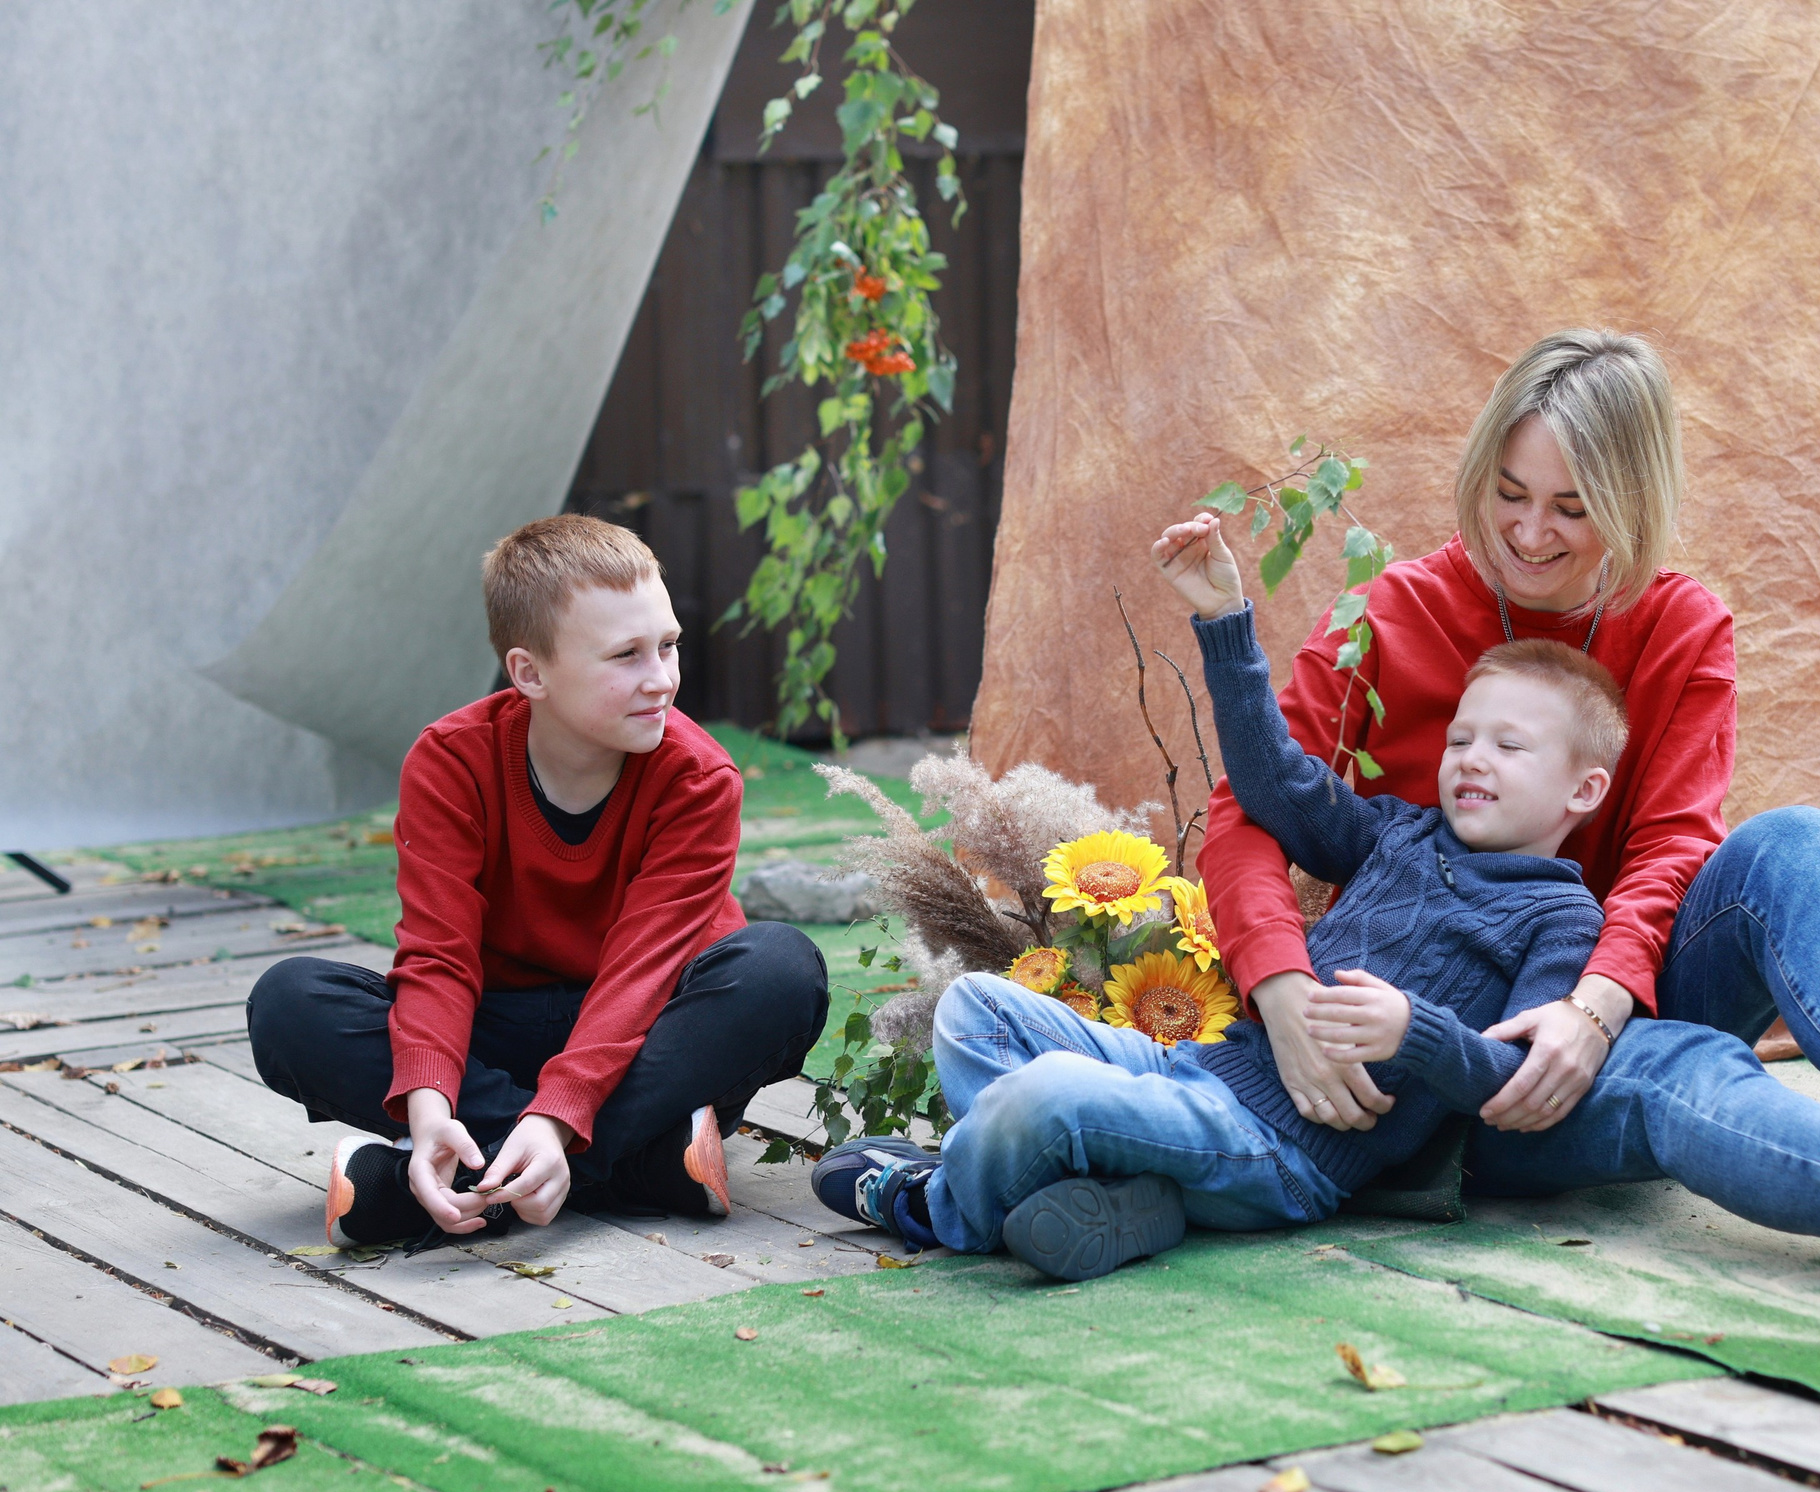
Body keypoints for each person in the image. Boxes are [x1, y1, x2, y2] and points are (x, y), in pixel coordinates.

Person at [1155, 328, 1820, 1300]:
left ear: (1632, 496)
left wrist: (1593, 1005)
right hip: (1454, 1058)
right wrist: (1281, 989)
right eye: (1509, 492)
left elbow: (1669, 848)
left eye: (1571, 506)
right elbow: (1256, 806)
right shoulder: (1394, 612)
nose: (1527, 531)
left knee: (1786, 843)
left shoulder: (1680, 625)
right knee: (1669, 1072)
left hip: (1596, 995)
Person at [812, 619, 1624, 1281]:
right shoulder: (1398, 833)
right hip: (1199, 1074)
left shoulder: (1561, 918)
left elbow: (1516, 1085)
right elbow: (1277, 783)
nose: (1472, 758)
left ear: (1583, 789)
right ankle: (1138, 1197)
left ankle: (938, 1206)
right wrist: (1225, 625)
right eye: (1461, 739)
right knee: (973, 1008)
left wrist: (1415, 1030)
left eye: (1508, 747)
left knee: (1049, 1092)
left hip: (1284, 1157)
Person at [247, 515, 828, 1249]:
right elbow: (438, 957)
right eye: (625, 656)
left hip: (645, 1028)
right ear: (530, 673)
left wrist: (558, 1117)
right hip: (492, 1035)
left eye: (669, 645)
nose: (661, 678)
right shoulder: (451, 762)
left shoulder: (698, 778)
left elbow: (641, 972)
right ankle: (640, 1164)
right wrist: (428, 1110)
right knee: (290, 1004)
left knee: (781, 969)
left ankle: (457, 1183)